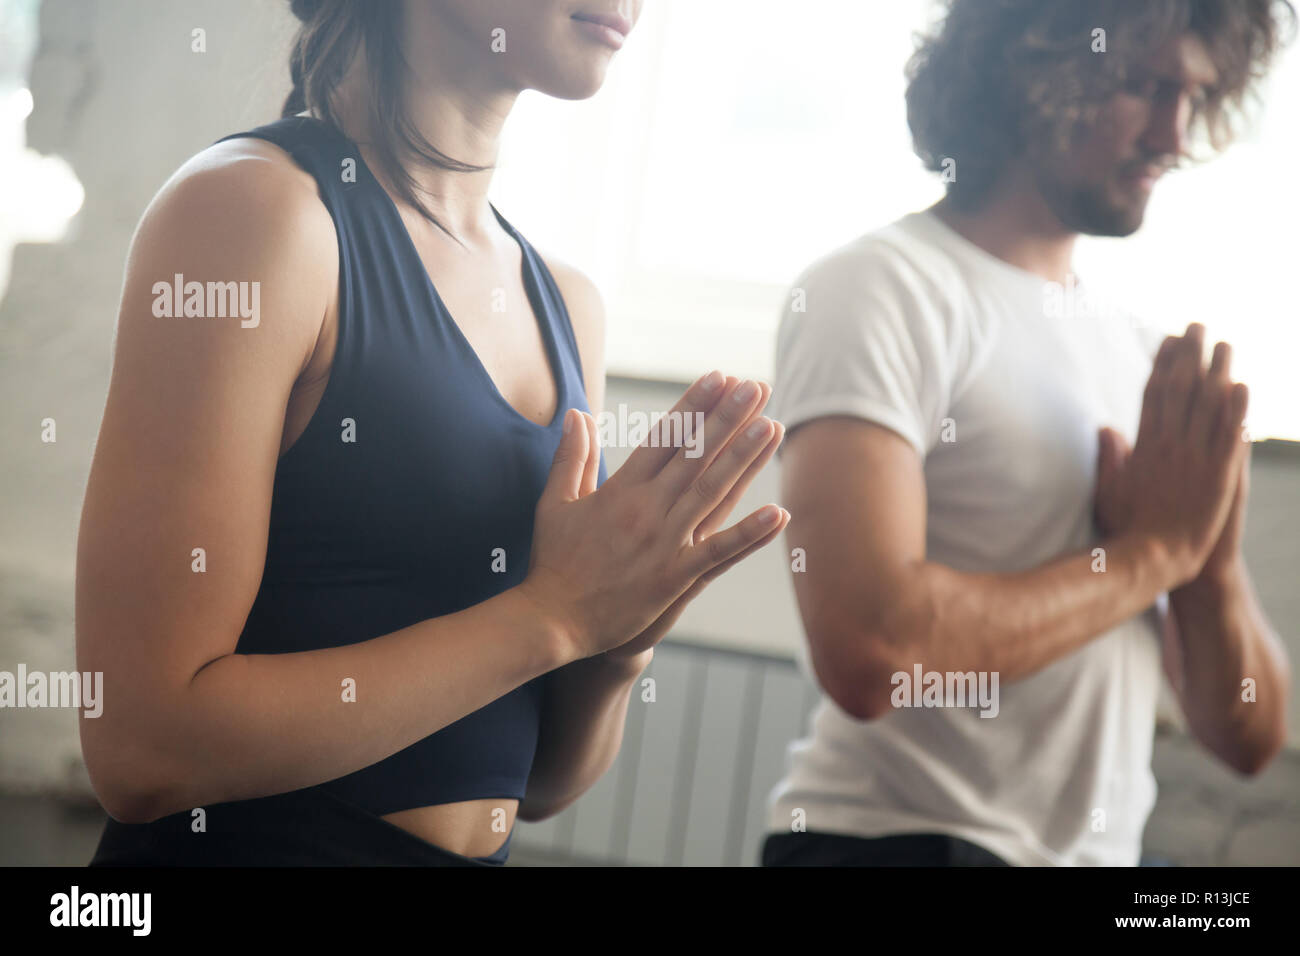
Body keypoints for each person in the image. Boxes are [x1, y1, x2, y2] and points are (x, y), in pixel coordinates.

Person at [78, 0, 789, 866]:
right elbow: (142, 749)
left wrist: (617, 639)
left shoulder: (566, 304)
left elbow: (538, 784)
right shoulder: (253, 214)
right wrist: (552, 617)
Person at [763, 0, 1293, 867]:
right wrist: (1153, 556)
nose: (1175, 132)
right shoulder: (880, 288)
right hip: (899, 846)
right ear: (1029, 71)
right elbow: (872, 652)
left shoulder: (1146, 357)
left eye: (1194, 96)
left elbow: (1249, 739)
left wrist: (1208, 563)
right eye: (1141, 86)